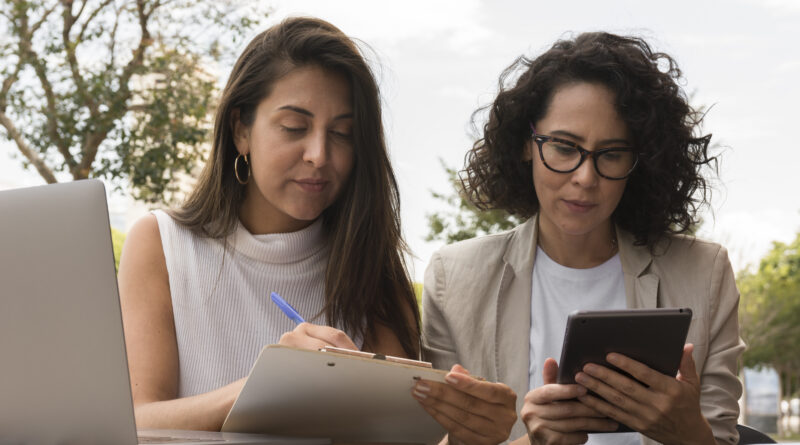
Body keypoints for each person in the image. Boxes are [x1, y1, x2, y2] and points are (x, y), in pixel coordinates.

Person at [119, 17, 516, 441]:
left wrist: (470, 436)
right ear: (240, 129)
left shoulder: (372, 265)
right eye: (294, 127)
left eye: (342, 134)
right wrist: (267, 385)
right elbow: (134, 419)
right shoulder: (162, 242)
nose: (319, 154)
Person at [419, 32, 744, 445]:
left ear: (639, 162)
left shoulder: (705, 273)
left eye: (611, 154)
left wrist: (689, 435)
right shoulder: (455, 279)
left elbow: (720, 435)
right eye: (564, 147)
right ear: (526, 143)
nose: (585, 178)